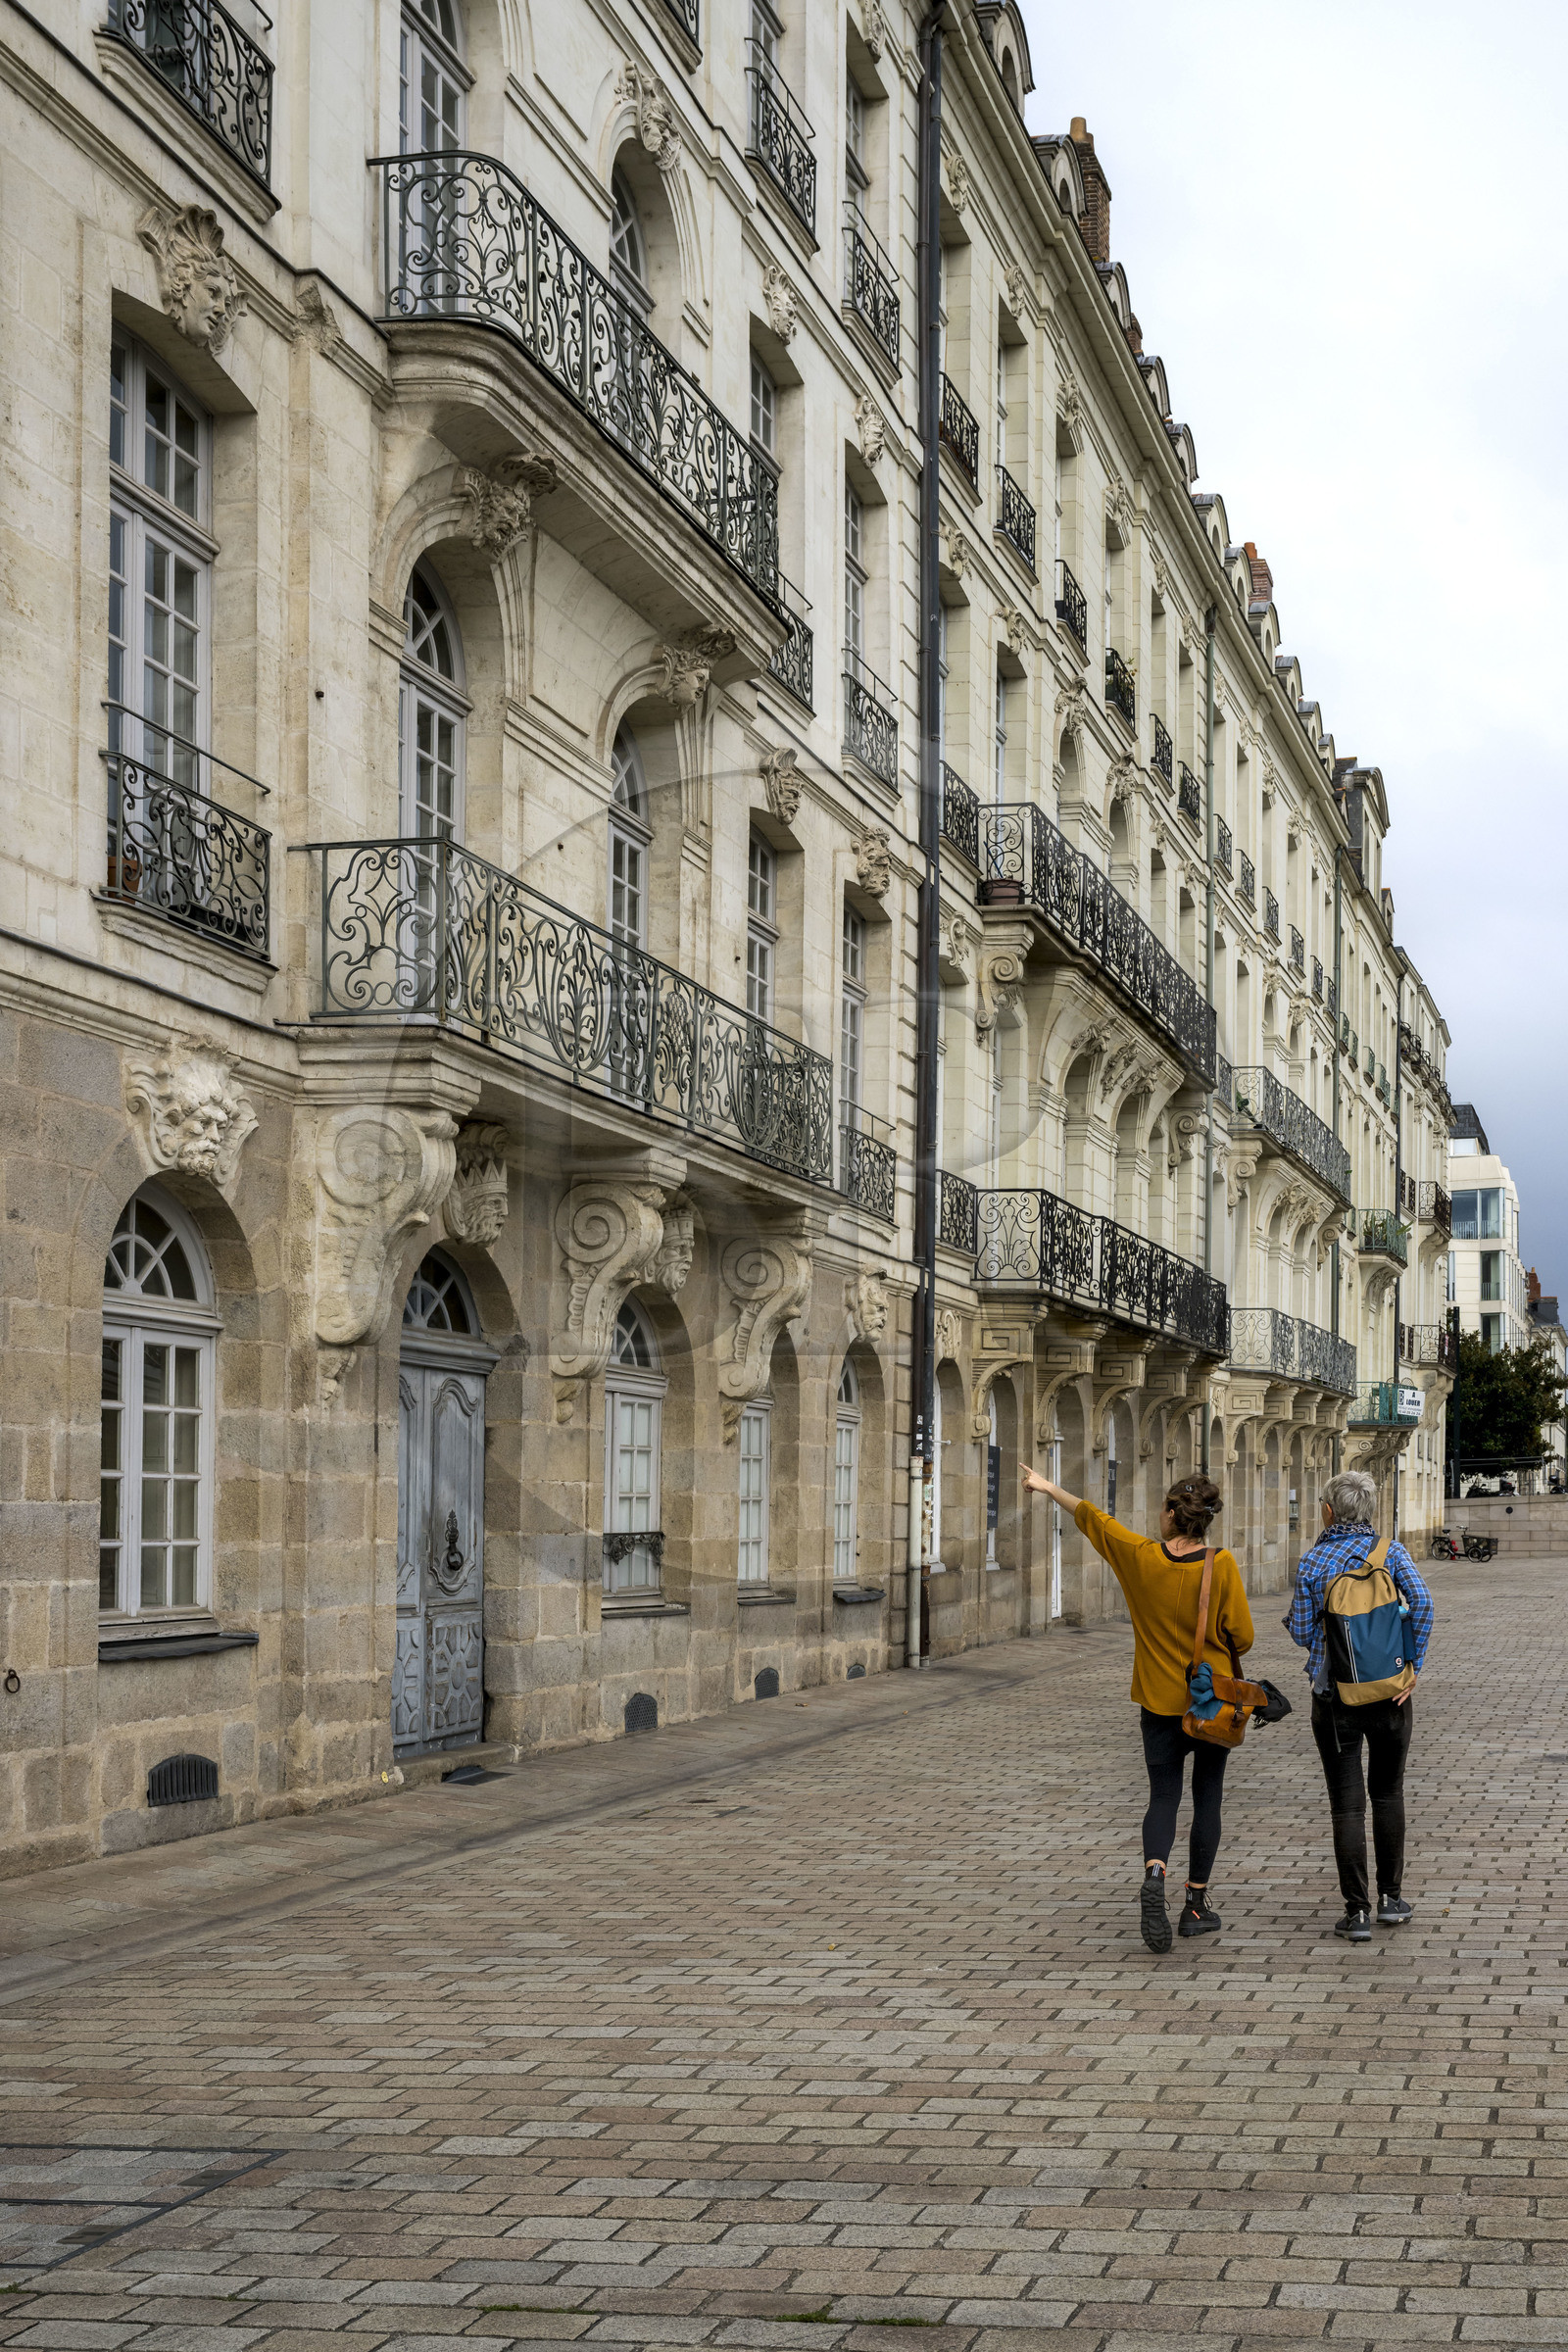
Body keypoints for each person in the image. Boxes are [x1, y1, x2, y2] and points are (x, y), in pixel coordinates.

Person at [1022, 1462, 1253, 1954]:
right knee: (1208, 1796)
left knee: (1164, 1796)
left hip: (1158, 1701)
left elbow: (1095, 1519)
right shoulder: (1222, 1563)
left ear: (1172, 1513)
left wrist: (1046, 1487)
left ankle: (1155, 1872)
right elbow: (1244, 1638)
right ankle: (1195, 1905)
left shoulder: (1140, 1557)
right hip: (1209, 1702)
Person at [1287, 1468, 1434, 1943]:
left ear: (1329, 1510)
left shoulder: (1313, 1562)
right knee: (1388, 1794)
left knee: (1347, 1806)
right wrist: (1411, 1667)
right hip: (1392, 1692)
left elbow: (1305, 1632)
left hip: (1335, 1699)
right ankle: (1392, 1899)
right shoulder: (1391, 1552)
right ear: (1368, 1510)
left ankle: (1357, 1912)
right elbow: (1424, 1605)